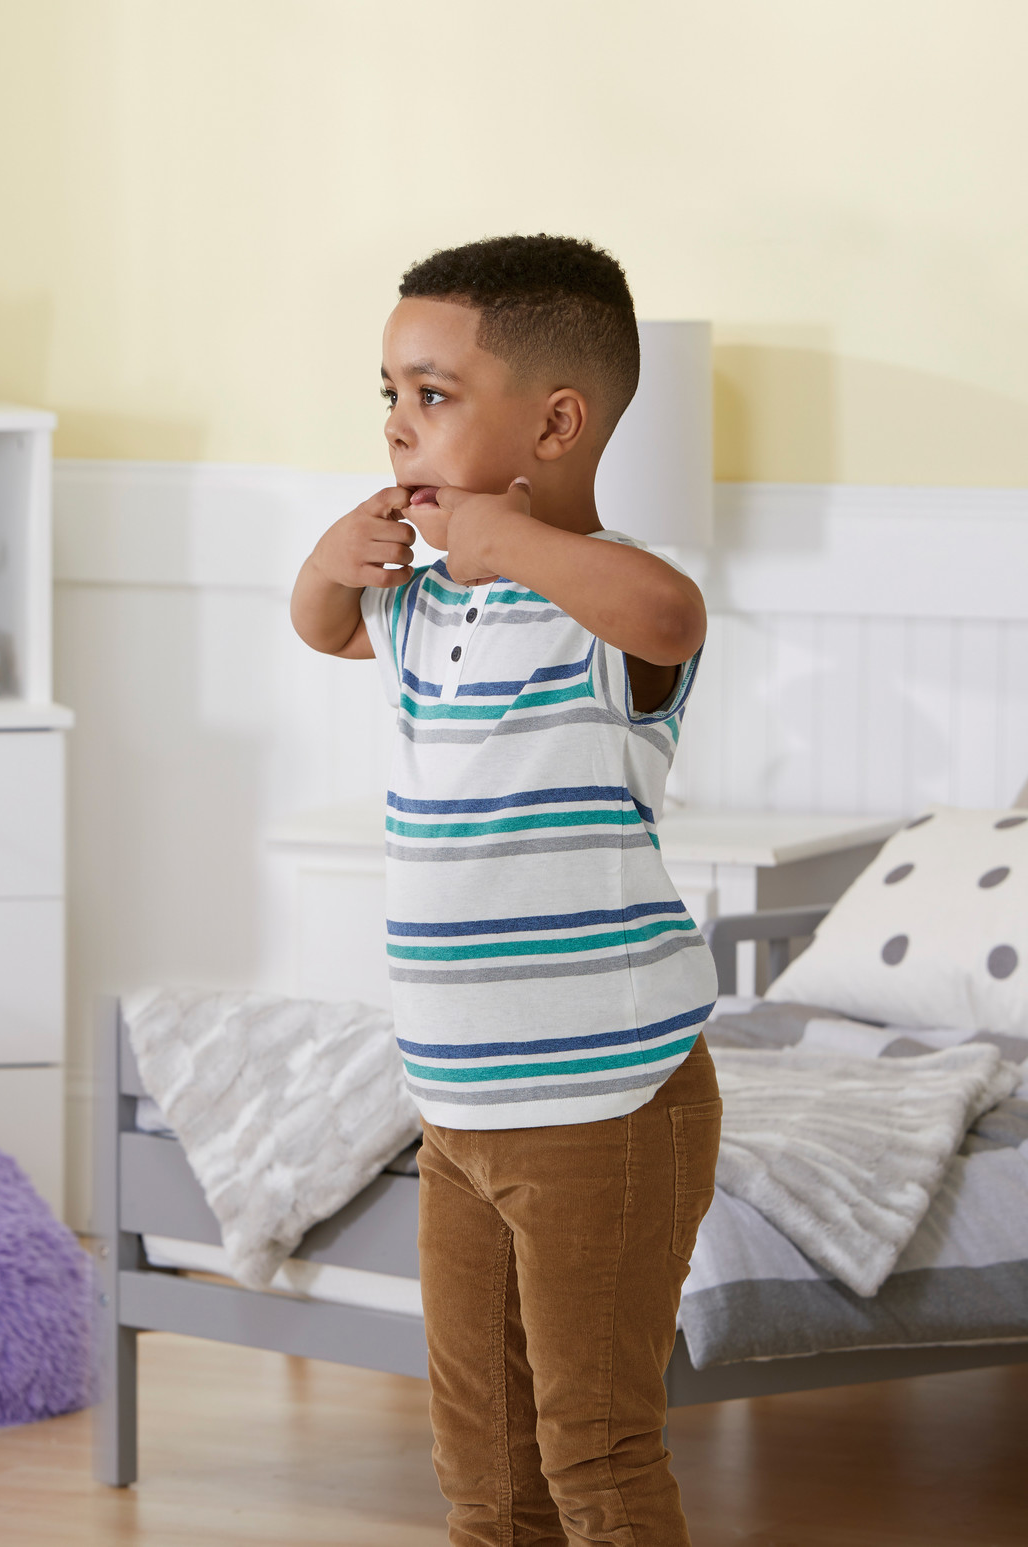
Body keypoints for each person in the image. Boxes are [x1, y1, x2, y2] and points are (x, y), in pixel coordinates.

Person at [290, 235, 722, 1547]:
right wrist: (333, 552)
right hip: (458, 1106)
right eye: (387, 393)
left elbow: (671, 614)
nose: (395, 424)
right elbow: (321, 621)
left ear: (554, 424)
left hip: (607, 1100)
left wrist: (507, 536)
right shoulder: (421, 609)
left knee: (594, 1449)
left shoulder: (598, 614)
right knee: (482, 1470)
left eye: (431, 394)